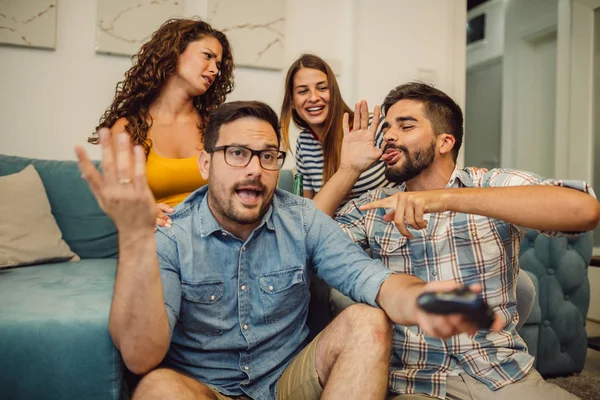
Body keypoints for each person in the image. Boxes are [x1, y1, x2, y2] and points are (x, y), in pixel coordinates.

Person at [75, 100, 503, 400]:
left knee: (367, 320)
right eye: (238, 154)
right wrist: (133, 239)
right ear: (206, 165)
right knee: (156, 389)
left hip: (286, 384)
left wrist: (424, 298)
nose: (255, 171)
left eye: (268, 156)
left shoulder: (301, 218)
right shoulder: (169, 233)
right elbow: (140, 355)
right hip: (204, 388)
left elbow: (370, 278)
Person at [335, 82, 600, 400]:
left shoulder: (490, 184)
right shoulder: (374, 207)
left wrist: (443, 199)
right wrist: (348, 169)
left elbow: (582, 210)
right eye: (386, 127)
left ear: (445, 141)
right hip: (415, 384)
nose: (389, 135)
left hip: (502, 375)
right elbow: (303, 245)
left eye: (405, 125)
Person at [88, 18, 234, 228]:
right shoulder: (126, 129)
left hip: (211, 237)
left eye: (218, 65)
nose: (214, 70)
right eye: (207, 56)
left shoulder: (216, 127)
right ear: (175, 52)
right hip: (154, 235)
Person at [280, 54, 393, 216]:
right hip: (334, 231)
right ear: (291, 101)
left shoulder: (371, 128)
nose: (313, 97)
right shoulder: (304, 142)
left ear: (334, 93)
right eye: (303, 91)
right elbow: (308, 210)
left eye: (322, 88)